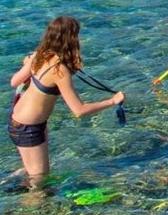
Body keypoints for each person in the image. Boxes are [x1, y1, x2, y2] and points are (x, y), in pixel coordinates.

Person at [7, 15, 124, 182]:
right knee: (40, 180)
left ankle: (5, 183)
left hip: (18, 121)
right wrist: (112, 101)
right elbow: (79, 111)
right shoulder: (60, 71)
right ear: (70, 39)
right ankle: (18, 196)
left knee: (34, 169)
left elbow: (14, 82)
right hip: (29, 129)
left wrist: (28, 65)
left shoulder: (39, 55)